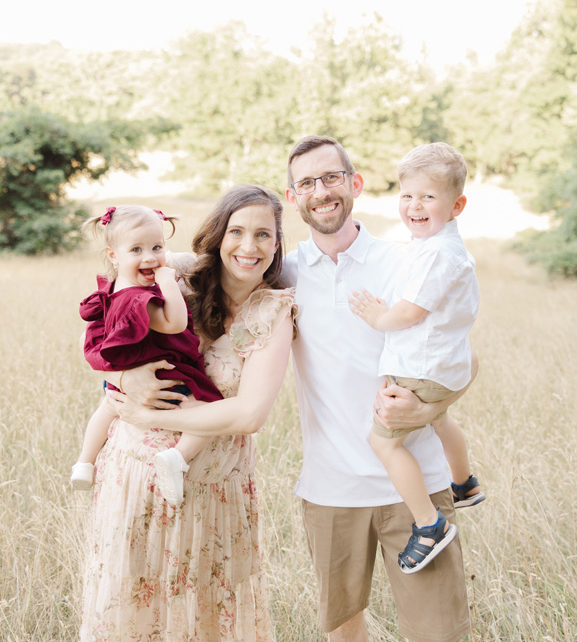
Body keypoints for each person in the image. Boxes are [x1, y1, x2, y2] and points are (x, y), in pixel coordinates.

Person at [79, 184, 296, 642]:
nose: (248, 246)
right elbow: (109, 332)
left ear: (277, 245)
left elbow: (249, 415)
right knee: (133, 609)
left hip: (216, 492)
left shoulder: (275, 310)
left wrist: (149, 415)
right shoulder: (174, 272)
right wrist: (122, 381)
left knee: (206, 618)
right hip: (135, 477)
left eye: (264, 234)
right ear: (219, 235)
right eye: (237, 231)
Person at [281, 136, 471, 641]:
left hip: (417, 486)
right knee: (344, 633)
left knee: (439, 634)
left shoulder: (410, 259)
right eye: (307, 183)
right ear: (292, 196)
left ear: (355, 184)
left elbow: (468, 358)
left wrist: (428, 408)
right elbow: (216, 267)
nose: (320, 191)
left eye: (331, 177)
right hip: (331, 489)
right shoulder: (284, 272)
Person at [348, 142, 484, 575]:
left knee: (383, 442)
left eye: (428, 196)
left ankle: (429, 524)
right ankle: (464, 482)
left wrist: (377, 317)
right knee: (440, 420)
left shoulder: (437, 255)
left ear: (456, 205)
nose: (414, 205)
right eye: (407, 195)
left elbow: (411, 312)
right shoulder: (443, 249)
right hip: (447, 367)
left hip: (421, 372)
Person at [70, 204, 223, 506]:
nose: (150, 257)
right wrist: (168, 283)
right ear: (114, 255)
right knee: (209, 414)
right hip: (165, 373)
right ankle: (177, 457)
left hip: (122, 377)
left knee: (105, 410)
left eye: (157, 246)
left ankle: (85, 462)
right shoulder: (142, 298)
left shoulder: (114, 288)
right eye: (136, 249)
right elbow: (176, 322)